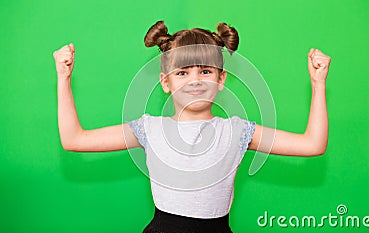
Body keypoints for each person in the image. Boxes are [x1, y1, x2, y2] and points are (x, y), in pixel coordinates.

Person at [53, 20, 331, 233]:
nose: (194, 81)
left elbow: (312, 144)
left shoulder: (237, 131)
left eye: (205, 71)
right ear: (166, 82)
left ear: (221, 79)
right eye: (183, 72)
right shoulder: (149, 129)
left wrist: (318, 85)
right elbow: (74, 139)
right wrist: (63, 78)